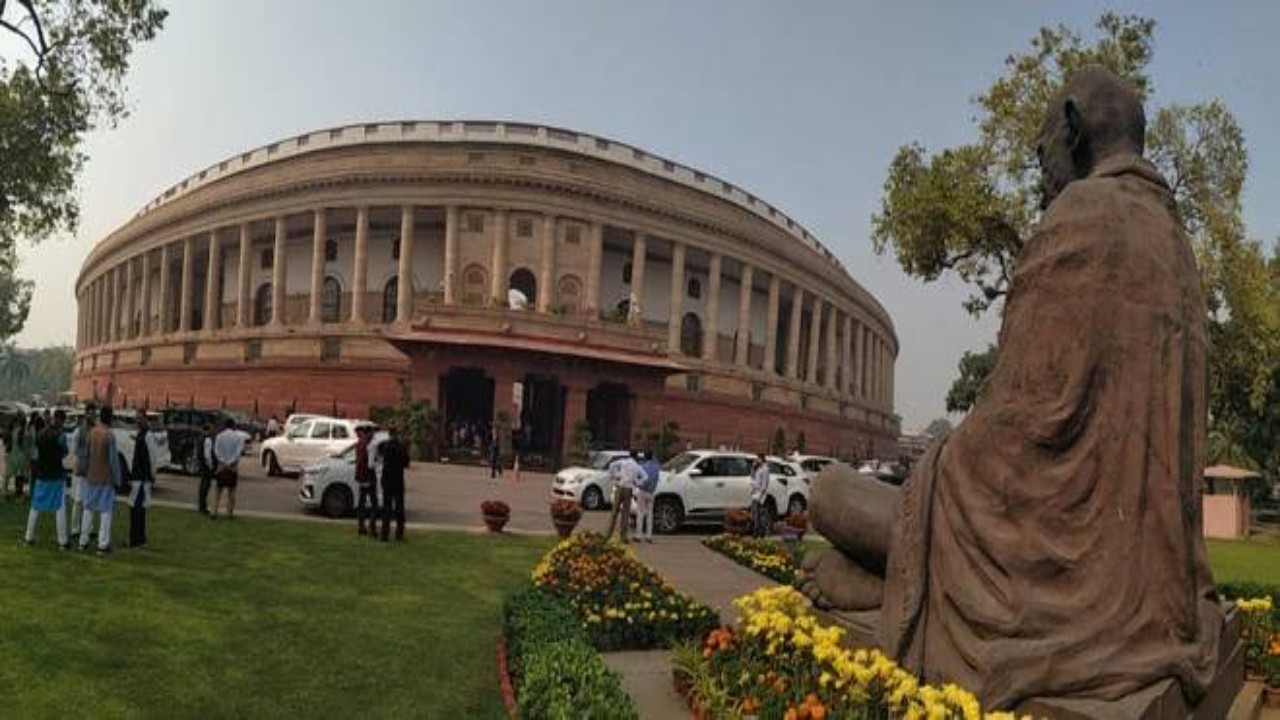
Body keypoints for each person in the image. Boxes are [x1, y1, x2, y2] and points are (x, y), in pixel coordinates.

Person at [800, 67, 1227, 708]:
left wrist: (933, 477)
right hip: (1150, 586)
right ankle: (891, 575)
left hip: (1038, 561)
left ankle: (893, 578)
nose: (1043, 178)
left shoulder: (1081, 213)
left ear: (1075, 128)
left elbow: (1016, 426)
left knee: (829, 489)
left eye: (1043, 153)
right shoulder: (1177, 245)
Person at [80, 406, 122, 555]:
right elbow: (113, 461)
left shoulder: (92, 433)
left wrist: (84, 471)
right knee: (106, 511)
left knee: (88, 509)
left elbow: (85, 455)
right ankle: (102, 544)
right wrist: (118, 480)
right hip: (105, 479)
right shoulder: (109, 435)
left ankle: (83, 541)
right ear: (110, 418)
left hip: (91, 476)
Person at [24, 412, 69, 548]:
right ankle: (63, 542)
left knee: (35, 507)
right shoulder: (61, 436)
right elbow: (64, 453)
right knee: (59, 508)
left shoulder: (40, 434)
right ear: (61, 420)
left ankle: (28, 537)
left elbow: (38, 453)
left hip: (42, 475)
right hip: (56, 475)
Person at [128, 416, 160, 548]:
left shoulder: (146, 436)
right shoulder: (143, 435)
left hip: (140, 478)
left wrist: (151, 474)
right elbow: (151, 457)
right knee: (137, 509)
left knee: (137, 509)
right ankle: (137, 539)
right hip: (140, 478)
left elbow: (152, 457)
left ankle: (137, 539)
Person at [376, 423, 410, 542]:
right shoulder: (401, 446)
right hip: (398, 480)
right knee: (399, 508)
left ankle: (384, 534)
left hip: (387, 479)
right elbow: (406, 463)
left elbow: (379, 456)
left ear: (389, 434)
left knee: (387, 507)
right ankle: (399, 534)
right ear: (397, 434)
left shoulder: (385, 446)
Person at [209, 417, 246, 520]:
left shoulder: (219, 436)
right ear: (233, 426)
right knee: (231, 492)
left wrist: (223, 462)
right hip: (233, 467)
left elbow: (216, 451)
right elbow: (238, 453)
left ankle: (214, 512)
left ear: (224, 426)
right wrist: (230, 462)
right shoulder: (238, 437)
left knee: (218, 491)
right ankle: (229, 513)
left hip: (221, 466)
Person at [66, 411, 93, 540]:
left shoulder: (94, 430)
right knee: (78, 500)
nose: (92, 417)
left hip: (91, 470)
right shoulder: (78, 431)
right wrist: (85, 455)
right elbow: (74, 449)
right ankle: (75, 528)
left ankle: (88, 527)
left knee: (90, 500)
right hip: (81, 470)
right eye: (90, 414)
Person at [605, 454, 642, 542]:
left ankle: (608, 534)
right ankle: (623, 536)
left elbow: (611, 465)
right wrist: (636, 482)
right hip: (628, 489)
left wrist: (613, 476)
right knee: (625, 513)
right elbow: (644, 477)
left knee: (614, 511)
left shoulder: (623, 462)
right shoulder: (637, 466)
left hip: (620, 487)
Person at [354, 426, 378, 536]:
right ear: (368, 433)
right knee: (374, 504)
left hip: (360, 476)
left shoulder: (359, 443)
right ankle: (372, 528)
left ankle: (361, 527)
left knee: (361, 503)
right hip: (369, 476)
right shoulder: (369, 445)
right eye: (372, 432)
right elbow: (370, 465)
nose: (373, 435)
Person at [633, 451, 661, 543]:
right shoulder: (656, 467)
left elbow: (637, 478)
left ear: (645, 458)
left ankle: (638, 535)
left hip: (642, 491)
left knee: (640, 514)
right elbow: (657, 479)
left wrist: (638, 485)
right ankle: (649, 536)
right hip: (651, 492)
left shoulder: (643, 467)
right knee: (650, 515)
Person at [7, 415, 30, 498]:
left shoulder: (15, 432)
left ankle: (18, 491)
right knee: (21, 476)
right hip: (22, 457)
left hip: (15, 456)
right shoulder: (26, 433)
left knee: (17, 475)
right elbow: (27, 447)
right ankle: (19, 493)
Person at [196, 421, 215, 514]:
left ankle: (201, 505)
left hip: (201, 464)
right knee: (206, 486)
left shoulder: (200, 438)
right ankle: (203, 507)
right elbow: (207, 455)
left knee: (202, 486)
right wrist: (211, 466)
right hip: (206, 466)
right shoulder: (207, 439)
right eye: (211, 429)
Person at [749, 455, 770, 538]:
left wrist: (761, 495)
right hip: (755, 493)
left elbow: (764, 484)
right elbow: (753, 477)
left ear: (762, 459)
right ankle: (757, 531)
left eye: (758, 459)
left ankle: (758, 532)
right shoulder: (758, 468)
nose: (757, 461)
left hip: (760, 494)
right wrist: (753, 468)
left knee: (758, 514)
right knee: (755, 513)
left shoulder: (765, 469)